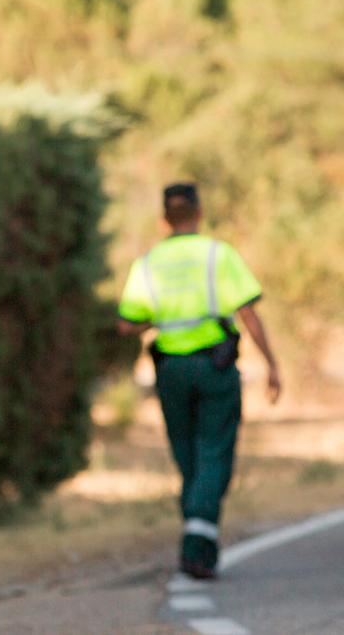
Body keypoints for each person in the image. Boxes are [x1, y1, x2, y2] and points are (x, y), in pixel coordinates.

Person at [117, 182, 280, 579]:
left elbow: (126, 324)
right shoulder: (216, 255)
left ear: (163, 219)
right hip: (214, 367)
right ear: (199, 212)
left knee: (186, 452)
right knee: (215, 451)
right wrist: (272, 363)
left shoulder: (147, 264)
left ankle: (198, 538)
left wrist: (160, 317)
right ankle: (196, 545)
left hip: (170, 369)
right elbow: (249, 314)